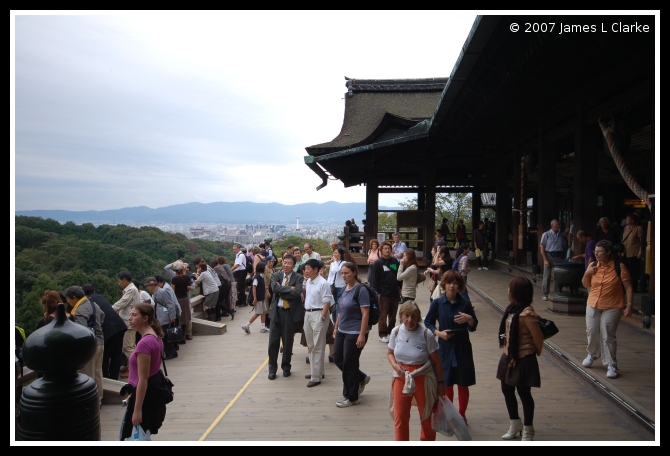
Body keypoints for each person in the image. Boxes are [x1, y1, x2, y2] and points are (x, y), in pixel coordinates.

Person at [424, 270, 478, 425]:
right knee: (446, 382)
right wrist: (439, 334)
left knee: (463, 382)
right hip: (445, 347)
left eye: (455, 283)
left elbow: (473, 327)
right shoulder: (438, 303)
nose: (452, 286)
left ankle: (461, 415)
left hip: (462, 347)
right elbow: (428, 322)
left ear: (459, 285)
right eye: (449, 283)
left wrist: (469, 319)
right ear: (444, 284)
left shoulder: (465, 304)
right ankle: (449, 414)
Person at [387, 301, 444, 441]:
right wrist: (395, 366)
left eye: (413, 316)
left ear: (418, 317)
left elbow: (437, 362)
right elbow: (389, 353)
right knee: (400, 416)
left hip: (422, 377)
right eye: (406, 316)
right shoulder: (396, 331)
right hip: (401, 376)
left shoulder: (426, 334)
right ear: (401, 316)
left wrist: (441, 384)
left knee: (426, 415)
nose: (410, 320)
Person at [497, 276, 544, 441]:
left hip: (523, 357)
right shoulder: (512, 309)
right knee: (506, 389)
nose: (508, 291)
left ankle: (528, 429)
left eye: (511, 288)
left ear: (517, 292)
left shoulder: (527, 314)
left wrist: (530, 354)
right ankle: (514, 423)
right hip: (508, 355)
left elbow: (538, 339)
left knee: (524, 393)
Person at [581, 240, 633, 379]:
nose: (596, 254)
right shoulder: (593, 265)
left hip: (613, 305)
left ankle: (611, 363)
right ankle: (592, 353)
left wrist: (629, 305)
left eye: (600, 251)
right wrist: (587, 273)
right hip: (593, 303)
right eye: (595, 251)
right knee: (591, 331)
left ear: (609, 252)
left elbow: (628, 287)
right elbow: (586, 284)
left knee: (608, 334)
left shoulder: (618, 267)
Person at [119, 303, 167, 440]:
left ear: (145, 318)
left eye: (134, 315)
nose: (130, 318)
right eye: (130, 315)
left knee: (133, 436)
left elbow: (144, 378)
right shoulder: (156, 338)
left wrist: (137, 409)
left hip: (144, 397)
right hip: (147, 393)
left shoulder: (145, 343)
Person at [332, 262, 371, 407]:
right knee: (337, 358)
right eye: (342, 273)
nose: (344, 276)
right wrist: (336, 327)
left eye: (347, 273)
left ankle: (351, 396)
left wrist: (362, 334)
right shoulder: (344, 289)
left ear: (354, 272)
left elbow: (365, 313)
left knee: (349, 363)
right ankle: (360, 377)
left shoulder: (360, 290)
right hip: (342, 329)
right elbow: (341, 310)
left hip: (355, 331)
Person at [64, 285, 105, 404]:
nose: (68, 302)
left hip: (90, 346)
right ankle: (98, 399)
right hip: (100, 341)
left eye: (68, 299)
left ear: (74, 298)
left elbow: (81, 330)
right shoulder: (93, 304)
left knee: (88, 374)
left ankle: (90, 401)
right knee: (98, 372)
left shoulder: (79, 311)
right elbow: (102, 316)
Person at [267, 254, 304, 380]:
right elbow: (274, 288)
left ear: (294, 265)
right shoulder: (276, 275)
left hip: (289, 312)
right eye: (284, 262)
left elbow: (297, 292)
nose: (286, 265)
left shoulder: (298, 277)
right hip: (276, 312)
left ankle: (286, 367)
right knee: (273, 342)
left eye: (289, 263)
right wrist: (289, 289)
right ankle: (272, 369)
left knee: (288, 342)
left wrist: (282, 291)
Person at [83, 284, 127, 380]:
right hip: (120, 325)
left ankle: (106, 378)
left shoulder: (88, 302)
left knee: (105, 356)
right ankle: (114, 378)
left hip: (108, 330)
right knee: (116, 354)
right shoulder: (100, 297)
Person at [302, 258, 333, 387]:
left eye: (308, 268)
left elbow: (327, 301)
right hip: (308, 313)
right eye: (305, 268)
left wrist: (322, 317)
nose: (306, 271)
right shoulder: (309, 281)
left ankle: (316, 377)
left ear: (316, 270)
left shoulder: (323, 283)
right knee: (310, 344)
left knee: (318, 345)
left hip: (319, 314)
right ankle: (317, 371)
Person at [370, 240, 400, 343]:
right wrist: (376, 292)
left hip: (394, 292)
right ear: (381, 250)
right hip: (383, 293)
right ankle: (382, 334)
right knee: (382, 315)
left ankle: (392, 333)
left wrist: (399, 288)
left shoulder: (395, 261)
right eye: (385, 249)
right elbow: (375, 279)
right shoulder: (378, 263)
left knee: (393, 315)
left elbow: (398, 276)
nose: (387, 250)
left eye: (389, 249)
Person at [112, 271, 140, 376]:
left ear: (124, 280)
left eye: (119, 281)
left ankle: (135, 369)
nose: (119, 284)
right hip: (129, 321)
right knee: (130, 346)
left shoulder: (131, 290)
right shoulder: (132, 289)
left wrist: (109, 310)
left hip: (129, 323)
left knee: (128, 347)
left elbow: (122, 303)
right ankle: (131, 368)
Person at [143, 277, 178, 360]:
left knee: (164, 336)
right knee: (163, 335)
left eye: (148, 286)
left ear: (152, 285)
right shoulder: (155, 293)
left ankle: (171, 352)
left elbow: (170, 304)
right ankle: (170, 352)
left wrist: (172, 316)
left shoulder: (163, 292)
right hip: (160, 317)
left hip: (165, 317)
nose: (147, 288)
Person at [540, 219, 566, 300]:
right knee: (547, 275)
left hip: (558, 256)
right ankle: (545, 293)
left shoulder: (561, 235)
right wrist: (545, 259)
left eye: (559, 225)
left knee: (557, 275)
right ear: (552, 226)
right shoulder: (546, 234)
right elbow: (542, 247)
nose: (558, 226)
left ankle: (556, 292)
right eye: (556, 225)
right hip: (549, 255)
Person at [241, 262, 269, 334]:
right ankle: (247, 325)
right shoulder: (257, 277)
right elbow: (254, 288)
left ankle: (263, 326)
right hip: (258, 298)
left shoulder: (261, 276)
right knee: (258, 312)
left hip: (261, 297)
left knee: (263, 311)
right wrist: (255, 298)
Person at [169, 261, 194, 339]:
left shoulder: (174, 279)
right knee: (186, 316)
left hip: (178, 299)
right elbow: (189, 287)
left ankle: (180, 336)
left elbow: (172, 291)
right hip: (185, 298)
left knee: (179, 317)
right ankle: (186, 334)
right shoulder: (187, 277)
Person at [621, 213, 643, 293]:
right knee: (624, 270)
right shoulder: (626, 228)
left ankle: (633, 288)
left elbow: (641, 241)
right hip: (625, 252)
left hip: (633, 252)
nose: (626, 220)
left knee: (633, 271)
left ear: (632, 220)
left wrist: (640, 252)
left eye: (628, 219)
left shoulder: (638, 228)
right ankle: (624, 287)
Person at [327, 247, 346, 323]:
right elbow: (330, 275)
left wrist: (334, 261)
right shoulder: (332, 264)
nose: (334, 254)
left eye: (336, 253)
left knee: (339, 305)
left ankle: (339, 323)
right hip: (333, 286)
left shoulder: (344, 263)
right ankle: (335, 322)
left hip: (340, 286)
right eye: (334, 253)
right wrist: (328, 284)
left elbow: (337, 270)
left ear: (340, 254)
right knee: (333, 306)